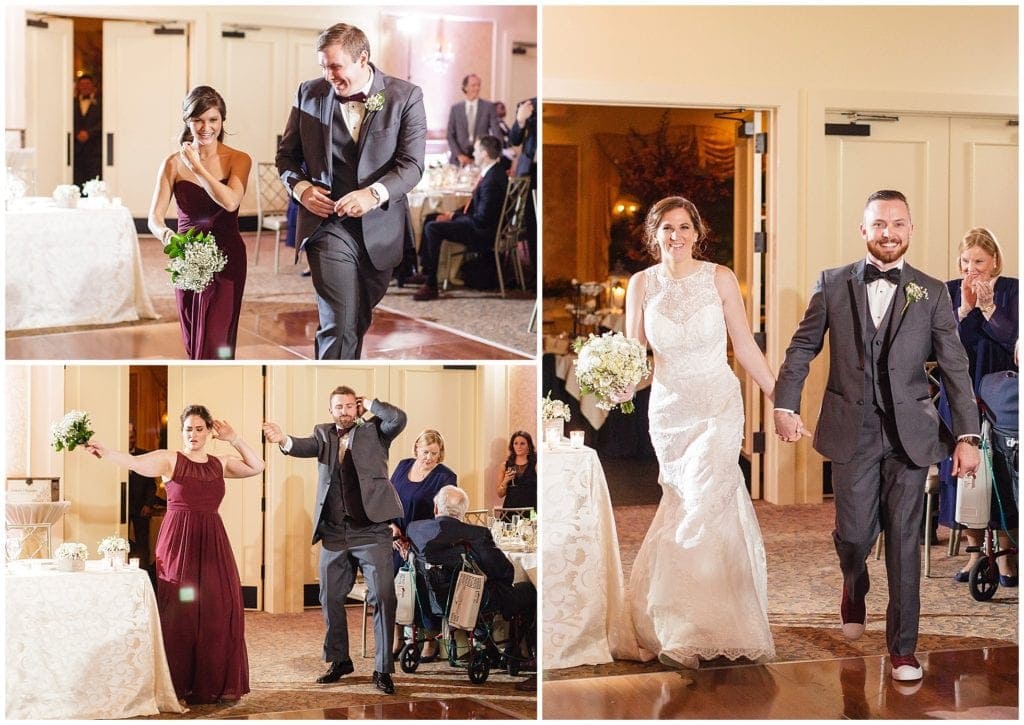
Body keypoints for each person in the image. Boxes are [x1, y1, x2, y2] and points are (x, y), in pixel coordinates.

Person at [774, 189, 981, 682]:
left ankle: (903, 649)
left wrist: (967, 436)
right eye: (880, 224)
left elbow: (954, 367)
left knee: (907, 542)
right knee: (855, 537)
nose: (889, 233)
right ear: (863, 230)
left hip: (912, 436)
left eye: (898, 224)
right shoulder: (831, 283)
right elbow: (802, 348)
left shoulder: (931, 292)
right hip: (851, 432)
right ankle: (853, 585)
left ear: (910, 230)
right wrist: (785, 404)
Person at [622, 196, 778, 670]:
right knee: (687, 502)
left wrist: (779, 398)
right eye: (667, 227)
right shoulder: (640, 285)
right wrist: (616, 385)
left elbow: (745, 346)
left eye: (685, 226)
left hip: (717, 405)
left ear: (697, 231)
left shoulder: (720, 278)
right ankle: (689, 618)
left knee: (705, 500)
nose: (677, 235)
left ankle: (691, 625)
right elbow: (634, 356)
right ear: (655, 234)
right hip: (669, 412)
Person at [84, 405, 263, 704]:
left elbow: (257, 466)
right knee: (180, 611)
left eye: (199, 428)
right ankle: (176, 684)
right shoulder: (169, 459)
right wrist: (105, 452)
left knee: (218, 609)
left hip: (213, 540)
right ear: (181, 432)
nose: (193, 434)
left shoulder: (220, 463)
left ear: (209, 431)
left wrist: (234, 438)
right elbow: (133, 461)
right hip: (178, 540)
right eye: (188, 429)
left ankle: (210, 682)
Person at [276, 22, 427, 360]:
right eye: (323, 67)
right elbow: (286, 157)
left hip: (381, 229)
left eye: (335, 66)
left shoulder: (405, 97)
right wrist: (300, 188)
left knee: (356, 319)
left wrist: (372, 194)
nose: (328, 75)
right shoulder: (308, 93)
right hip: (327, 224)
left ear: (363, 59)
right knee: (339, 321)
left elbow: (412, 165)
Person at [262, 386, 406, 695]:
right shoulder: (323, 434)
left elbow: (398, 418)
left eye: (349, 406)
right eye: (337, 407)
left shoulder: (377, 431)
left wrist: (371, 403)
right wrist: (282, 440)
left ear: (356, 408)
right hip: (335, 532)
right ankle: (340, 660)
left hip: (372, 530)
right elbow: (303, 446)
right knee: (329, 597)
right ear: (331, 411)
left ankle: (382, 669)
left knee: (383, 596)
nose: (343, 411)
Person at [936, 227, 1018, 586]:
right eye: (966, 261)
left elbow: (1014, 340)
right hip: (960, 394)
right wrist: (965, 309)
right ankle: (974, 554)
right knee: (966, 475)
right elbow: (941, 344)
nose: (972, 269)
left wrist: (989, 309)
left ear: (995, 262)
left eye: (980, 262)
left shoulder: (1012, 290)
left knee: (1001, 469)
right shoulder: (949, 291)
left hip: (1002, 392)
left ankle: (1004, 556)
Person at [147, 86, 251, 360]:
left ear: (222, 121)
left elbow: (230, 202)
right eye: (198, 120)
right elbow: (154, 218)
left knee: (217, 341)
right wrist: (167, 236)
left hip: (228, 257)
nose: (206, 127)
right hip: (187, 258)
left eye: (213, 120)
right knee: (193, 339)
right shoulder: (171, 163)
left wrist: (197, 168)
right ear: (188, 121)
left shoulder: (239, 159)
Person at [406, 485, 536, 655]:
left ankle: (485, 641)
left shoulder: (415, 529)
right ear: (463, 512)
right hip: (472, 601)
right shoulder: (476, 533)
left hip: (429, 598)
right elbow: (503, 571)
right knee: (530, 591)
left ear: (436, 507)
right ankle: (518, 650)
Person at [388, 429, 457, 660]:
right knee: (392, 587)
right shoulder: (402, 466)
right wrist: (392, 528)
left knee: (422, 586)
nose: (429, 457)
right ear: (417, 448)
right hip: (395, 539)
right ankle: (397, 638)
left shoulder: (445, 476)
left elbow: (443, 515)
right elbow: (387, 498)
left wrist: (413, 540)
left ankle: (429, 639)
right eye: (425, 451)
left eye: (434, 453)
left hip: (424, 543)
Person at [413, 135, 507, 301]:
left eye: (477, 151)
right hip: (479, 224)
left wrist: (455, 216)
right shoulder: (494, 172)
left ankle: (432, 284)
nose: (474, 154)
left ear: (484, 154)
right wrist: (451, 215)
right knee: (431, 218)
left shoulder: (492, 180)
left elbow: (482, 219)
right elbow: (476, 208)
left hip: (482, 233)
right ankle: (427, 271)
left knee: (432, 228)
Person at [127, 422, 165, 577]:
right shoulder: (118, 457)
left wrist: (148, 504)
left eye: (132, 436)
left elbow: (151, 485)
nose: (130, 439)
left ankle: (144, 575)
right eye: (127, 436)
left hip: (141, 508)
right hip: (121, 508)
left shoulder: (145, 456)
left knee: (143, 544)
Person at [507, 97, 537, 278]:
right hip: (529, 174)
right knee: (531, 224)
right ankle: (534, 275)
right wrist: (521, 120)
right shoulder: (527, 105)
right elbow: (514, 140)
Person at [446, 74, 501, 167]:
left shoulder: (489, 107)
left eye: (479, 85)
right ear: (465, 87)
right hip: (458, 160)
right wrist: (459, 155)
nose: (477, 88)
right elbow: (450, 135)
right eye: (473, 85)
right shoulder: (455, 109)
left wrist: (497, 155)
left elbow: (497, 133)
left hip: (481, 159)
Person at [73, 74, 102, 186]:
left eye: (87, 84)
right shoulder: (71, 103)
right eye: (82, 84)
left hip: (94, 152)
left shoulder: (100, 103)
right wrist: (76, 133)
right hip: (76, 153)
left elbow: (103, 122)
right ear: (78, 87)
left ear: (92, 86)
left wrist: (89, 133)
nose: (85, 87)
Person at [497, 430, 537, 512]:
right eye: (516, 443)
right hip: (510, 510)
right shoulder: (504, 465)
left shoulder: (536, 465)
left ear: (529, 446)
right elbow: (500, 494)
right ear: (512, 446)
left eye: (522, 443)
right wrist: (505, 481)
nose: (519, 446)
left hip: (531, 510)